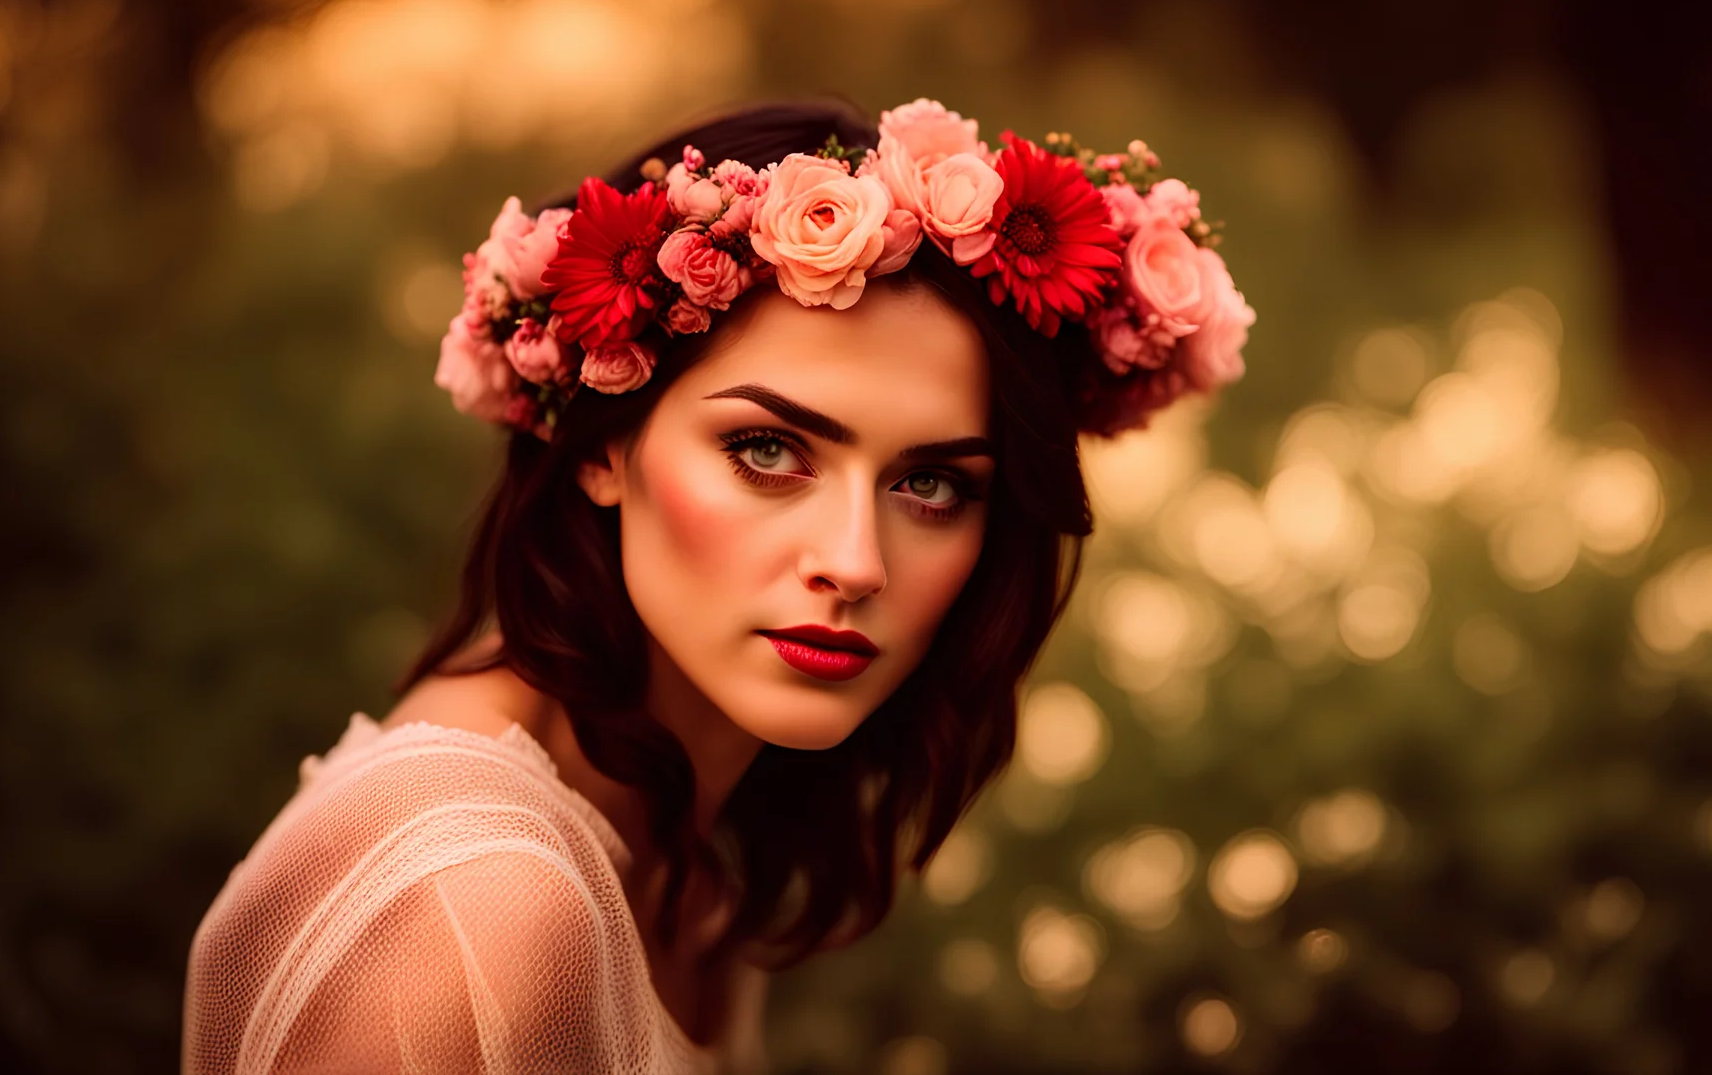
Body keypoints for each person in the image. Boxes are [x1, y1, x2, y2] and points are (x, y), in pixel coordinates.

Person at [181, 97, 1252, 1074]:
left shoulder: (694, 862)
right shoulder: (479, 897)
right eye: (770, 451)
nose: (856, 561)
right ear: (605, 447)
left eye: (930, 483)